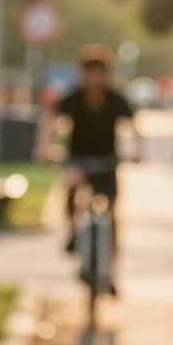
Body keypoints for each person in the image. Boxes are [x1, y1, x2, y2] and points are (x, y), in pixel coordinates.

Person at [34, 44, 145, 289]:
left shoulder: (115, 99)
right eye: (90, 72)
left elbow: (134, 124)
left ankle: (111, 270)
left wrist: (139, 150)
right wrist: (44, 147)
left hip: (107, 161)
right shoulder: (74, 98)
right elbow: (51, 120)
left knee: (113, 214)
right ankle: (73, 230)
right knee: (71, 184)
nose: (95, 78)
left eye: (100, 72)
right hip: (79, 160)